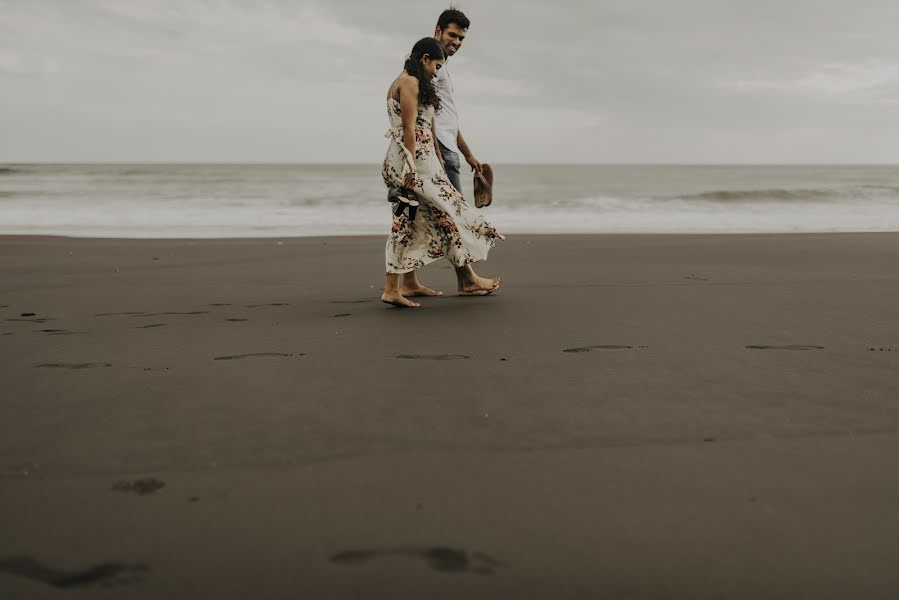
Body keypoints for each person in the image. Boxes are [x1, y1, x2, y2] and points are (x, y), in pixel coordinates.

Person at [381, 37, 502, 308]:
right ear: (424, 59)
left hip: (421, 161)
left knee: (415, 220)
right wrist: (412, 168)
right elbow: (410, 129)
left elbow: (429, 128)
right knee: (435, 215)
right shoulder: (409, 82)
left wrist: (439, 159)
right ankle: (395, 289)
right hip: (413, 161)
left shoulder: (412, 82)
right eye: (436, 65)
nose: (437, 71)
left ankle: (406, 285)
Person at [433, 7, 480, 195]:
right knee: (456, 218)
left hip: (447, 149)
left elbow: (447, 118)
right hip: (440, 150)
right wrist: (435, 151)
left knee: (444, 219)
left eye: (461, 38)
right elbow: (423, 112)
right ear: (438, 30)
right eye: (452, 35)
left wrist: (467, 154)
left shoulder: (442, 67)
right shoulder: (428, 65)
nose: (457, 42)